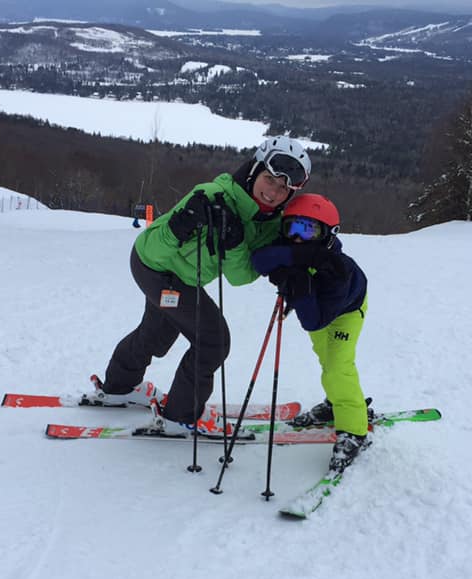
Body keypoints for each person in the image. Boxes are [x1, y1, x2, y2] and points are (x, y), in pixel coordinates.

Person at [92, 136, 313, 436]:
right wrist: (177, 227)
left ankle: (119, 386)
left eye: (284, 187)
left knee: (156, 334)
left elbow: (240, 276)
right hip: (155, 267)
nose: (273, 192)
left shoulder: (268, 222)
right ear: (254, 170)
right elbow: (154, 250)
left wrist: (237, 244)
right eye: (270, 179)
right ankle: (181, 416)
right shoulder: (211, 197)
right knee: (213, 340)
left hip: (182, 279)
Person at [250, 193, 371, 472]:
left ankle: (354, 429)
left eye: (309, 230)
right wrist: (297, 262)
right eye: (292, 227)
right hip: (318, 308)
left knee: (338, 366)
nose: (297, 238)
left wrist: (299, 284)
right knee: (325, 359)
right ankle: (334, 403)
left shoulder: (339, 270)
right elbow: (260, 260)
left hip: (346, 312)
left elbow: (314, 321)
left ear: (328, 234)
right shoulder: (298, 246)